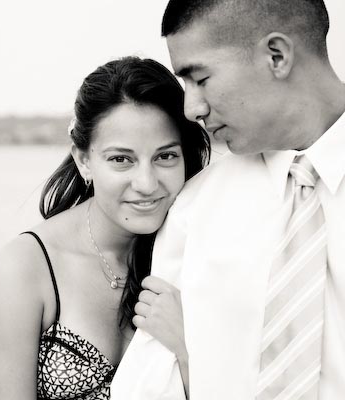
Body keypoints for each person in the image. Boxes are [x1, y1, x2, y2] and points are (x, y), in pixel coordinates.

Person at [111, 1, 345, 399]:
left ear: (277, 56)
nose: (191, 109)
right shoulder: (195, 209)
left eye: (200, 78)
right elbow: (149, 386)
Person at [0, 56, 210, 400]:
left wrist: (189, 350)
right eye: (121, 159)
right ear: (84, 160)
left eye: (165, 156)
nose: (146, 183)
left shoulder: (195, 252)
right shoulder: (26, 269)